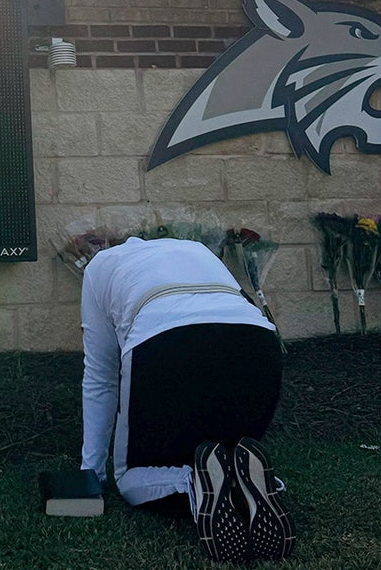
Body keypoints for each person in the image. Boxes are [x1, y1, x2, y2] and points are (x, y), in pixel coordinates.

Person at [79, 235, 294, 563]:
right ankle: (249, 483)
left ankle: (194, 482)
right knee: (228, 451)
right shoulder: (195, 248)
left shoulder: (97, 268)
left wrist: (90, 473)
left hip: (167, 344)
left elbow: (100, 378)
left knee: (130, 478)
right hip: (256, 344)